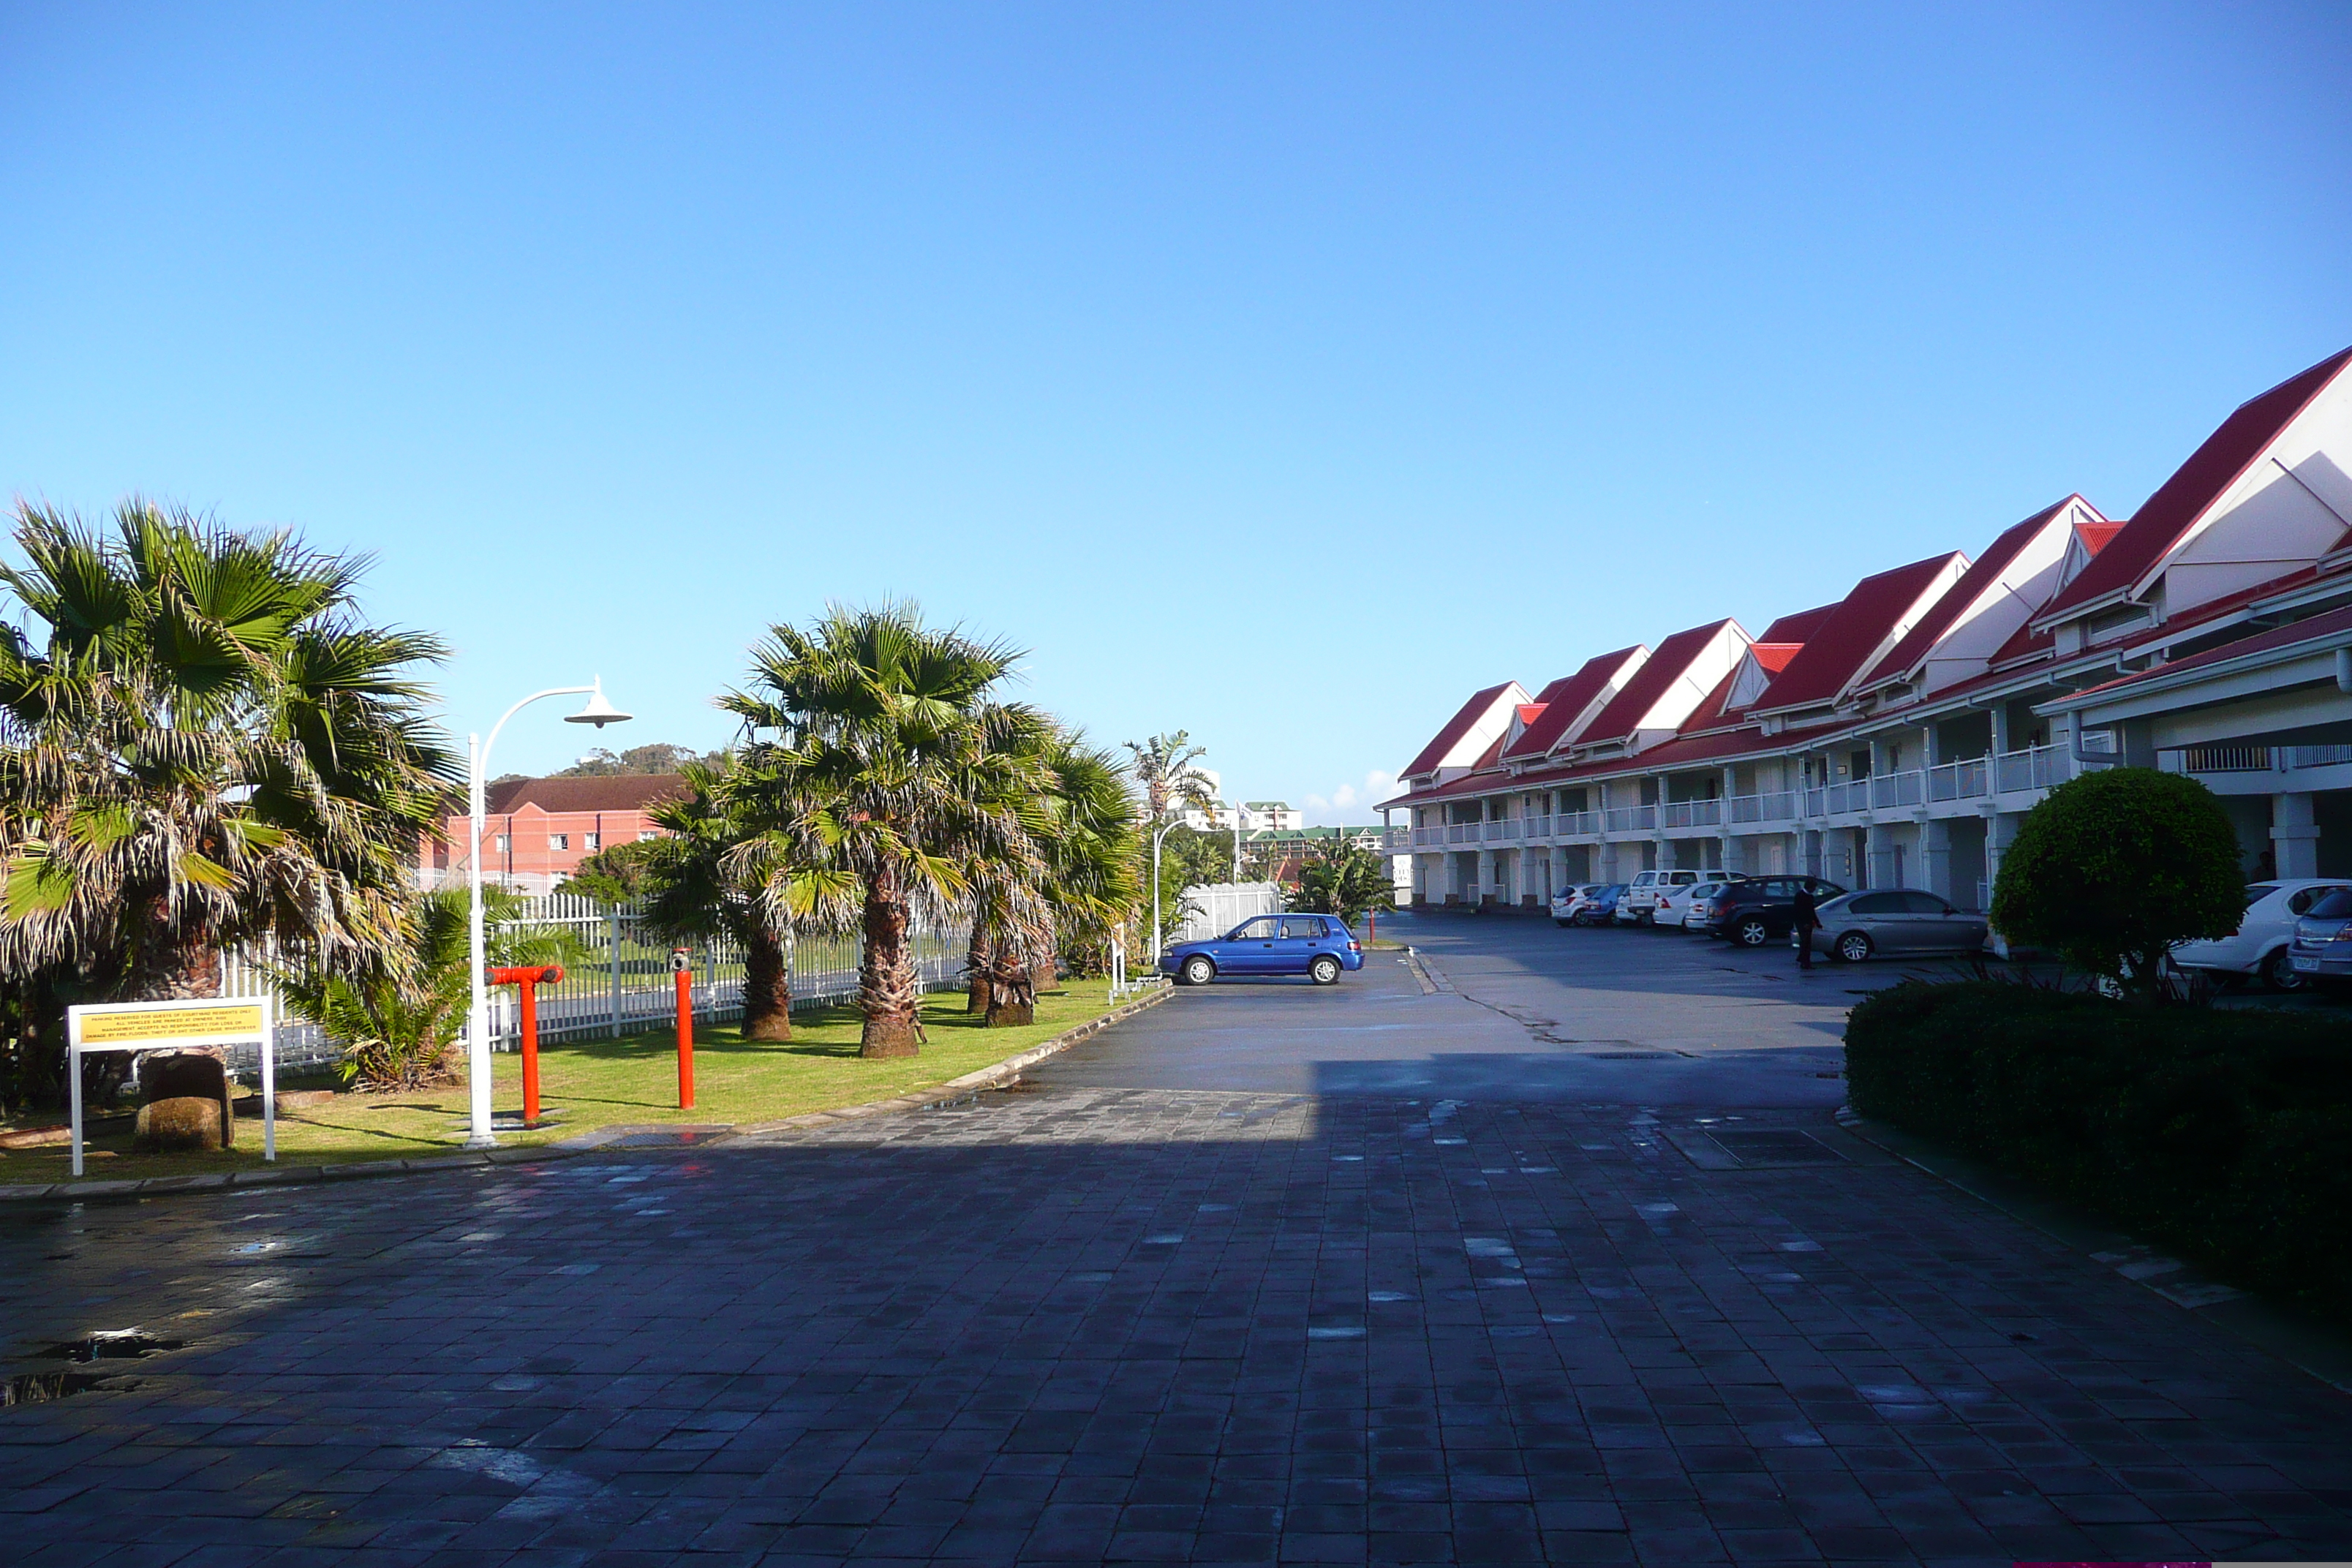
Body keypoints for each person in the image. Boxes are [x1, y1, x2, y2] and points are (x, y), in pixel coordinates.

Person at [1792, 881, 1817, 970]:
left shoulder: (1809, 897)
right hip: (1802, 922)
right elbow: (1799, 911)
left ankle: (1804, 959)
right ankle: (1805, 961)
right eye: (1814, 888)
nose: (1814, 890)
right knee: (1805, 941)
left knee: (1807, 942)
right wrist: (1805, 923)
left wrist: (1817, 922)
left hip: (1808, 922)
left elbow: (1812, 911)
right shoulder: (1800, 896)